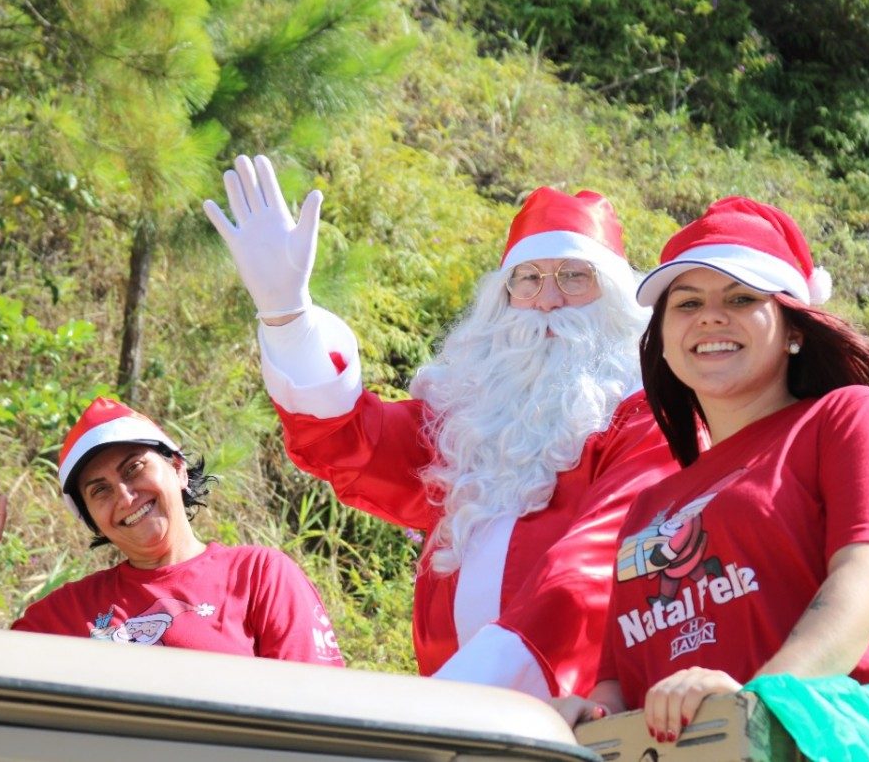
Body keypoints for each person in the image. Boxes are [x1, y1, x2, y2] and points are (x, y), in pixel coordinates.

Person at [203, 155, 677, 699]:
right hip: (454, 713)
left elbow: (589, 571)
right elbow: (350, 444)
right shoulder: (469, 424)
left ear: (615, 299)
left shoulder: (647, 420)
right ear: (501, 299)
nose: (547, 300)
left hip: (581, 712)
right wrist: (286, 318)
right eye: (528, 279)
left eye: (575, 277)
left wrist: (450, 701)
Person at [553, 197, 869, 740]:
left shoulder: (851, 419)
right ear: (664, 342)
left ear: (795, 329)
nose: (711, 316)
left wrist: (751, 708)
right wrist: (586, 716)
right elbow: (621, 682)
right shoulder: (651, 505)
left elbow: (863, 587)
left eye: (741, 298)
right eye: (687, 304)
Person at [0, 396, 345, 666]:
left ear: (178, 469)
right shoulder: (66, 614)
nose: (126, 497)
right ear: (93, 520)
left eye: (134, 468)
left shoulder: (259, 576)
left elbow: (316, 711)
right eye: (101, 491)